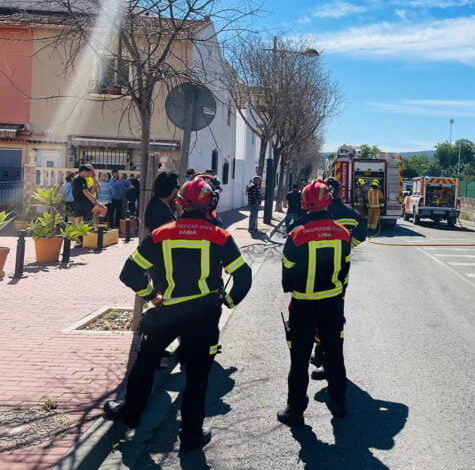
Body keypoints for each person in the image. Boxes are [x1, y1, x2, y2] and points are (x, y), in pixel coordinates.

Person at [103, 177, 252, 452]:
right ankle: (191, 435)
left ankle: (131, 414)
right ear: (210, 205)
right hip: (205, 315)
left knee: (146, 362)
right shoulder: (220, 236)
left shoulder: (161, 234)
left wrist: (151, 296)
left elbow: (129, 273)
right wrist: (227, 301)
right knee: (197, 376)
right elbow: (243, 275)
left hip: (167, 311)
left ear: (180, 204)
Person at [277, 180, 352, 427]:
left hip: (304, 305)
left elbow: (287, 275)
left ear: (304, 203)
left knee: (299, 359)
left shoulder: (296, 235)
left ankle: (295, 410)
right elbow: (345, 270)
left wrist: (298, 289)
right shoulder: (343, 233)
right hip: (332, 302)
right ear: (328, 201)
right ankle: (339, 402)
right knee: (334, 353)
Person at [309, 176, 367, 380]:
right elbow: (362, 234)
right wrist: (346, 248)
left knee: (318, 317)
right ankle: (322, 355)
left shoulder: (320, 212)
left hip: (312, 275)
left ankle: (326, 360)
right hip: (338, 277)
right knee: (331, 316)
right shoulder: (349, 214)